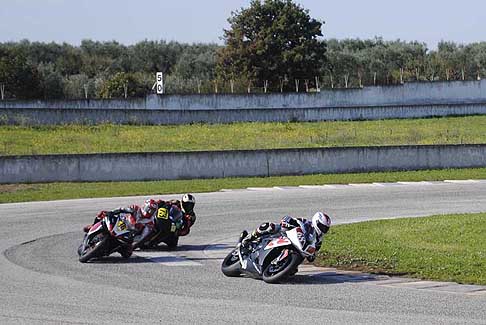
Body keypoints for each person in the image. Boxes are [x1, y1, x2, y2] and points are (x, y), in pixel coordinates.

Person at [241, 211, 331, 262]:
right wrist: (287, 223)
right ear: (316, 221)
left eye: (325, 228)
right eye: (322, 226)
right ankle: (249, 238)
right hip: (285, 234)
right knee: (269, 226)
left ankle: (282, 264)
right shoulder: (305, 222)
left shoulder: (318, 241)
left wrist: (312, 255)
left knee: (294, 271)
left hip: (297, 249)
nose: (323, 229)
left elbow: (312, 256)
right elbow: (288, 219)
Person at [83, 199, 158, 257]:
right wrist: (112, 212)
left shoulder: (149, 224)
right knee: (102, 214)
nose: (149, 212)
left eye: (152, 211)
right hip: (120, 222)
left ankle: (107, 250)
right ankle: (92, 226)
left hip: (128, 234)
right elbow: (121, 209)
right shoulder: (135, 208)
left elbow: (142, 237)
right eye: (149, 209)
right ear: (145, 206)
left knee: (127, 254)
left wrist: (133, 242)